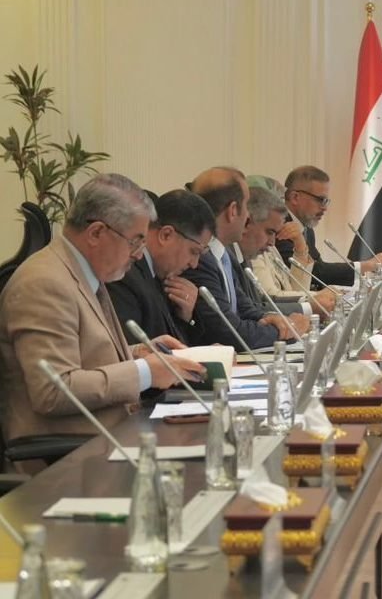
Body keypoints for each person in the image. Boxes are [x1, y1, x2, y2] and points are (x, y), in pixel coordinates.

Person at [0, 174, 204, 447]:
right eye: (135, 241)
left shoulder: (82, 273)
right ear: (96, 232)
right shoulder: (44, 283)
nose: (139, 254)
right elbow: (53, 390)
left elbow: (84, 356)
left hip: (110, 438)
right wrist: (145, 372)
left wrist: (139, 352)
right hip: (69, 455)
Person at [184, 167, 305, 348]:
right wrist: (285, 330)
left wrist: (273, 318)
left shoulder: (225, 254)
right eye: (246, 205)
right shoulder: (200, 259)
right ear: (233, 210)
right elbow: (231, 332)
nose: (249, 215)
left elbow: (247, 309)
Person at [108, 189, 214, 344]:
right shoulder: (125, 276)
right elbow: (134, 351)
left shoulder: (161, 276)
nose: (194, 264)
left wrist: (186, 317)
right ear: (166, 235)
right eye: (194, 251)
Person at [276, 165, 382, 288]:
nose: (324, 208)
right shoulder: (278, 226)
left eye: (326, 201)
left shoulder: (306, 229)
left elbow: (319, 270)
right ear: (295, 197)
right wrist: (366, 266)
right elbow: (312, 271)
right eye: (320, 200)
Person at [235, 186, 318, 318]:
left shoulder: (269, 248)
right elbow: (268, 296)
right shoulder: (251, 253)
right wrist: (315, 300)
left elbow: (297, 289)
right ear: (247, 222)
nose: (272, 242)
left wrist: (300, 247)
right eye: (269, 232)